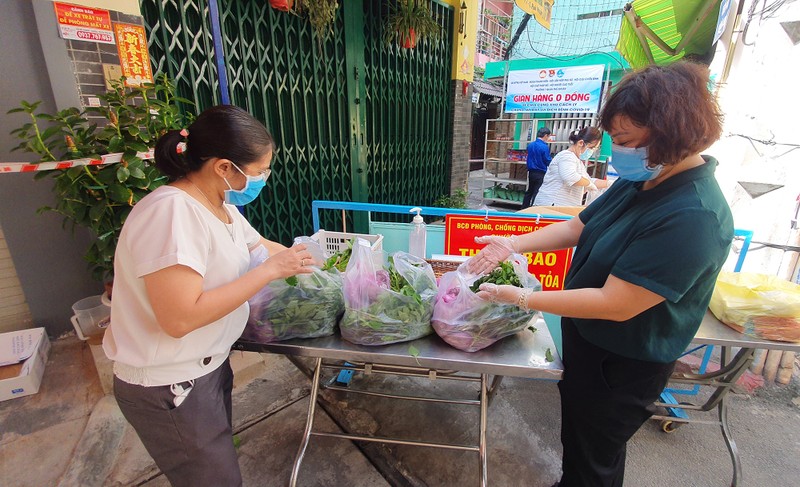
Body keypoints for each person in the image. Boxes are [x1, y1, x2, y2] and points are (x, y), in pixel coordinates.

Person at [468, 61, 732, 487]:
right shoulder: (645, 181)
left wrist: (519, 298)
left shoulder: (693, 215)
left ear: (669, 135)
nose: (615, 149)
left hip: (625, 359)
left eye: (625, 140)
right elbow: (579, 225)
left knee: (596, 452)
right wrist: (511, 244)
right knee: (584, 440)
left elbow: (615, 302)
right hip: (591, 342)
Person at [103, 105, 317, 486]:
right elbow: (180, 318)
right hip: (170, 386)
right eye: (257, 173)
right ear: (223, 167)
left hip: (207, 368)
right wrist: (271, 271)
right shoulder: (171, 214)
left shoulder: (219, 205)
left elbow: (260, 246)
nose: (263, 180)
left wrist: (320, 270)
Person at [533, 126, 610, 207]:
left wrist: (609, 183)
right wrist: (589, 184)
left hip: (563, 206)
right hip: (551, 204)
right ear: (581, 143)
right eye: (592, 148)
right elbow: (570, 176)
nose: (592, 151)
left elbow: (588, 180)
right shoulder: (566, 156)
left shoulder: (577, 161)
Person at [522, 127, 553, 208]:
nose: (548, 138)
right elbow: (547, 160)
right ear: (545, 135)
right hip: (540, 172)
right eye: (548, 136)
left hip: (531, 172)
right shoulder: (544, 147)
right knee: (537, 192)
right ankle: (533, 209)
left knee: (529, 191)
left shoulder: (531, 145)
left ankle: (524, 208)